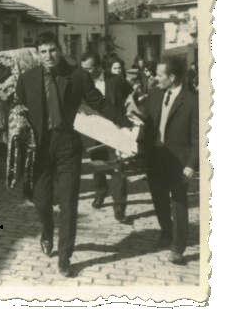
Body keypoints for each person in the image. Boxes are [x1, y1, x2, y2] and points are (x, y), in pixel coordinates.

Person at [15, 33, 127, 277]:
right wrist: (18, 112)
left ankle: (65, 257)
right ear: (37, 53)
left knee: (68, 202)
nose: (48, 56)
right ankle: (47, 230)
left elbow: (98, 102)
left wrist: (123, 121)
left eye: (52, 50)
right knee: (41, 200)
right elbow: (18, 106)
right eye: (43, 51)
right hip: (40, 149)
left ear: (61, 49)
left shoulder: (77, 76)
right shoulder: (27, 79)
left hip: (68, 144)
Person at [139, 56, 198, 265]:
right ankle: (166, 232)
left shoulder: (191, 101)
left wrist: (192, 164)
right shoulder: (155, 95)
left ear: (172, 77)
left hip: (179, 161)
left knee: (178, 202)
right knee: (159, 198)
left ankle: (178, 247)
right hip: (156, 156)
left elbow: (198, 137)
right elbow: (146, 125)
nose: (155, 78)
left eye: (159, 75)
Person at [80, 53, 133, 224]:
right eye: (84, 69)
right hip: (94, 129)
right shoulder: (81, 82)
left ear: (99, 68)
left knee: (119, 168)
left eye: (89, 69)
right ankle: (100, 193)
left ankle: (119, 207)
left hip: (116, 129)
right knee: (99, 165)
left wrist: (125, 120)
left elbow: (130, 97)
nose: (86, 72)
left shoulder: (115, 81)